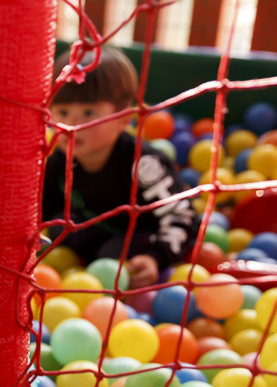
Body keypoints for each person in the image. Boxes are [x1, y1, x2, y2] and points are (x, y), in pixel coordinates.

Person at [43, 47, 199, 288]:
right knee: (55, 230)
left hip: (144, 238)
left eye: (88, 113)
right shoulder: (60, 160)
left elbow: (183, 216)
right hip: (97, 229)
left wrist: (155, 257)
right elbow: (42, 209)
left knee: (113, 255)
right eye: (63, 112)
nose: (73, 125)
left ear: (123, 118)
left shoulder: (142, 164)